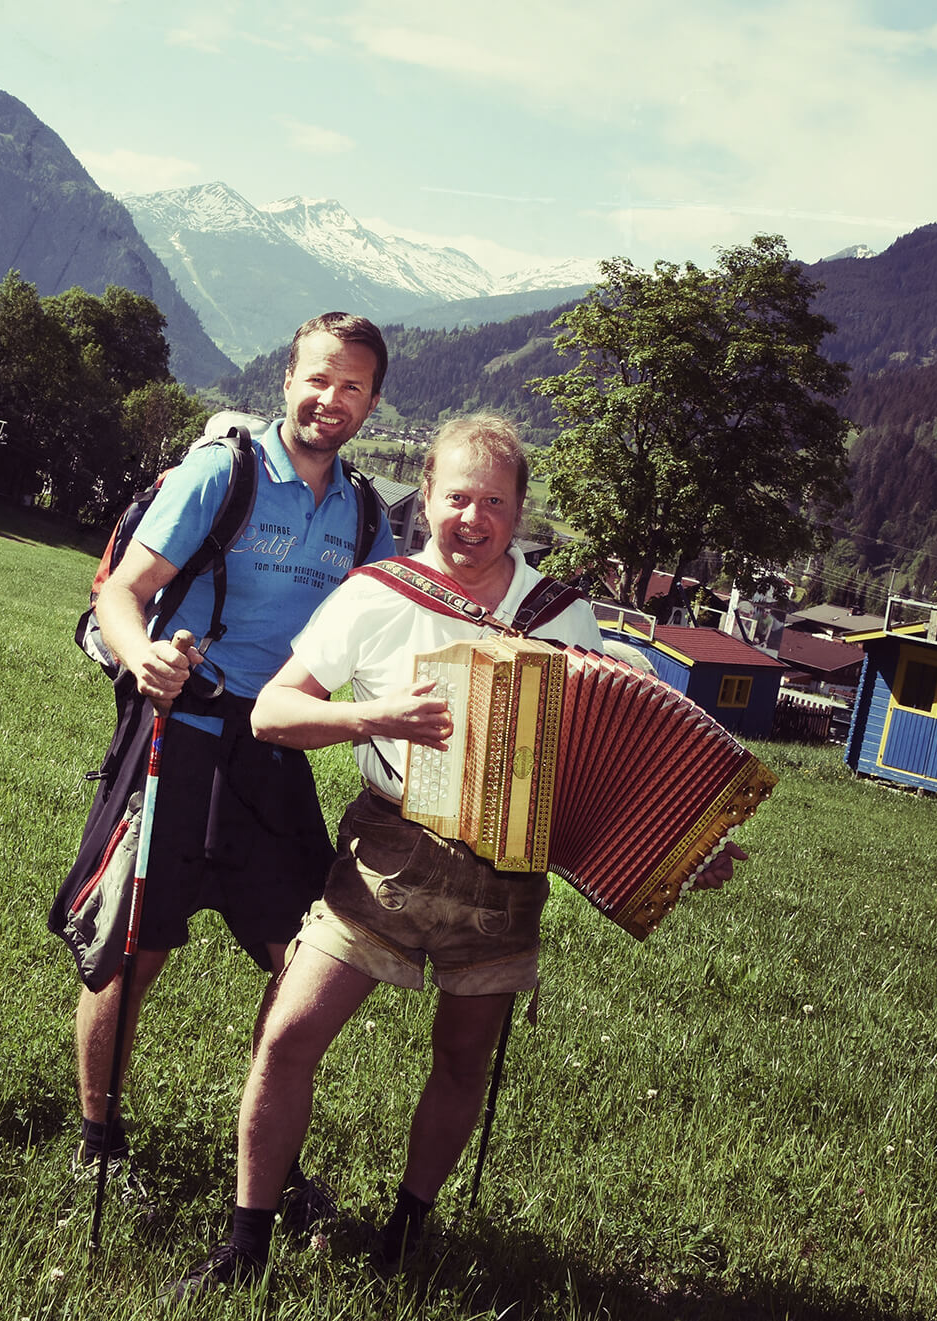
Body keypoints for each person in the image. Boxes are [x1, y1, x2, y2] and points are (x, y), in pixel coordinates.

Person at [174, 412, 744, 1293]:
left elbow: (597, 753)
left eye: (493, 502)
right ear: (425, 498)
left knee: (462, 1056)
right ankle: (245, 1246)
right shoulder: (377, 592)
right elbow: (271, 713)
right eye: (455, 497)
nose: (471, 518)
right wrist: (372, 716)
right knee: (289, 1035)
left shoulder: (561, 614)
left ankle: (408, 1227)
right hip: (386, 852)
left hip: (505, 874)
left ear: (519, 512)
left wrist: (675, 847)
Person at [56, 312, 397, 1212]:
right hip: (179, 733)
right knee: (132, 947)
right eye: (318, 377)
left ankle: (270, 1163)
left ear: (372, 401)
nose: (332, 397)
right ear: (287, 379)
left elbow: (409, 629)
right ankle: (98, 1141)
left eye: (353, 385)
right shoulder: (226, 471)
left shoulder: (366, 515)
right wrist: (143, 657)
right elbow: (124, 592)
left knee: (302, 961)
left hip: (272, 753)